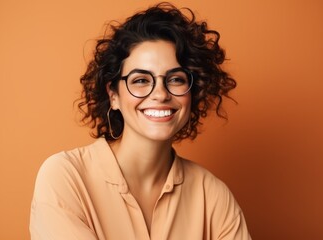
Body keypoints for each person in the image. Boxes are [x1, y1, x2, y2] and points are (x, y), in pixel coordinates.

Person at [30, 2, 251, 239]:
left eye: (175, 79)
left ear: (192, 92)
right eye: (141, 80)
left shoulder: (213, 194)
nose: (160, 94)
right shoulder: (65, 176)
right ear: (113, 95)